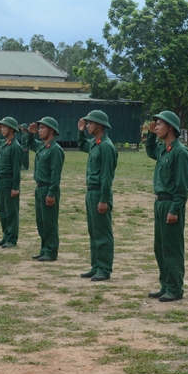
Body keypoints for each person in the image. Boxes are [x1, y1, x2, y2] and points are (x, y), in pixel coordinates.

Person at [145, 111, 188, 302]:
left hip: (171, 203)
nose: (156, 127)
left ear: (170, 127)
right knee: (161, 247)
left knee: (172, 248)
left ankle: (175, 287)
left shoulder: (180, 152)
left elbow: (182, 185)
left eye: (160, 124)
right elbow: (150, 151)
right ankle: (165, 284)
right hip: (160, 202)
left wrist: (175, 209)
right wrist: (150, 135)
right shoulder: (165, 149)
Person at [77, 110, 119, 281]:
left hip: (100, 192)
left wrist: (103, 199)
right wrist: (80, 132)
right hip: (91, 192)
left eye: (90, 123)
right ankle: (96, 266)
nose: (87, 126)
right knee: (93, 231)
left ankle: (104, 268)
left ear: (100, 125)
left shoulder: (106, 146)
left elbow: (107, 177)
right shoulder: (95, 143)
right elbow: (82, 146)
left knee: (102, 232)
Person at [26, 117, 65, 262]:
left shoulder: (55, 150)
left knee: (49, 222)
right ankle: (44, 249)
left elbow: (55, 174)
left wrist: (52, 193)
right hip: (39, 188)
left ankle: (51, 251)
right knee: (41, 221)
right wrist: (30, 133)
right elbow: (29, 143)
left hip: (48, 188)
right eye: (39, 128)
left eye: (43, 128)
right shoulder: (42, 147)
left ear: (52, 131)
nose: (39, 131)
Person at [0, 117, 23, 249]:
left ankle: (12, 238)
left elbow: (17, 169)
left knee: (11, 212)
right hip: (1, 181)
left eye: (4, 127)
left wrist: (15, 187)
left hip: (10, 181)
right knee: (2, 211)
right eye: (1, 127)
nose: (1, 129)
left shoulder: (15, 146)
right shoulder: (4, 143)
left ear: (11, 129)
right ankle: (6, 235)